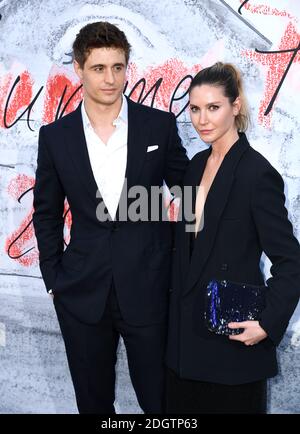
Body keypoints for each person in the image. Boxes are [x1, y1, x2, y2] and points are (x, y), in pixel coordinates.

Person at [32, 21, 188, 414]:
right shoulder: (56, 136)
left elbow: (189, 196)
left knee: (161, 402)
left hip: (150, 288)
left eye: (118, 67)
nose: (110, 78)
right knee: (93, 403)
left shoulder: (159, 125)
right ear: (79, 69)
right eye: (99, 68)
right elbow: (46, 212)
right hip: (81, 292)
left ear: (127, 67)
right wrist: (55, 278)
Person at [165, 62, 300, 414]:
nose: (202, 119)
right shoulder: (194, 167)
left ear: (235, 106)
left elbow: (291, 261)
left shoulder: (258, 174)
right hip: (185, 349)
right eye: (195, 109)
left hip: (232, 350)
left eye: (213, 107)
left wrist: (267, 325)